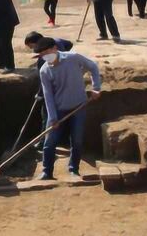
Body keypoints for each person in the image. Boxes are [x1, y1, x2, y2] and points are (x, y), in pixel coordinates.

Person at [35, 37, 101, 180]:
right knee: (49, 143)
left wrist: (96, 88)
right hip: (59, 110)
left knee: (76, 140)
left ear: (55, 48)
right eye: (42, 55)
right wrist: (52, 118)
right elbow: (48, 96)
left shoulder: (73, 58)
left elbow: (93, 66)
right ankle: (47, 172)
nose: (46, 56)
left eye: (47, 52)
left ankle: (74, 170)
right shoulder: (44, 71)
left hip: (79, 107)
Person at [24, 31, 73, 148]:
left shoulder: (43, 60)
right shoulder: (57, 42)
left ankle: (43, 143)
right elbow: (69, 44)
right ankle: (64, 140)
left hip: (55, 89)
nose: (33, 50)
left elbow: (44, 81)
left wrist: (40, 94)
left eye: (32, 47)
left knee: (47, 115)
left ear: (37, 43)